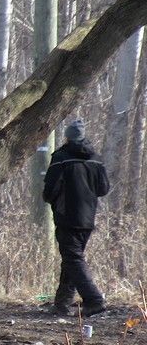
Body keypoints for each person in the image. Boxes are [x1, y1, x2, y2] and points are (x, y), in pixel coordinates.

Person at [42, 119, 110, 316]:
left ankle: (94, 299)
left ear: (67, 136)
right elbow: (103, 189)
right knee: (72, 259)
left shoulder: (61, 157)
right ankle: (62, 303)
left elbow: (50, 189)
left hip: (66, 216)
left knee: (73, 259)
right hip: (88, 218)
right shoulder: (95, 159)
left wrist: (53, 199)